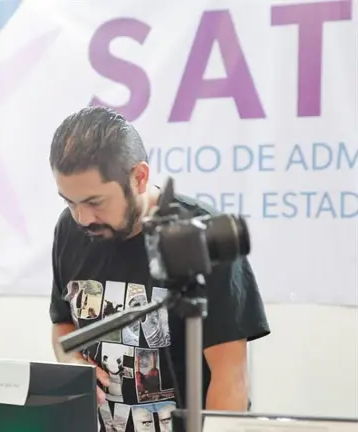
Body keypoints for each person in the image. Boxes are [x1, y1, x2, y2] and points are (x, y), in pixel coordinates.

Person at [48, 106, 270, 432]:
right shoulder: (70, 229)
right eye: (69, 201)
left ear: (139, 177)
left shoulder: (200, 238)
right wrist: (71, 360)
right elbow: (63, 324)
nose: (82, 218)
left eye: (95, 202)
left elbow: (230, 379)